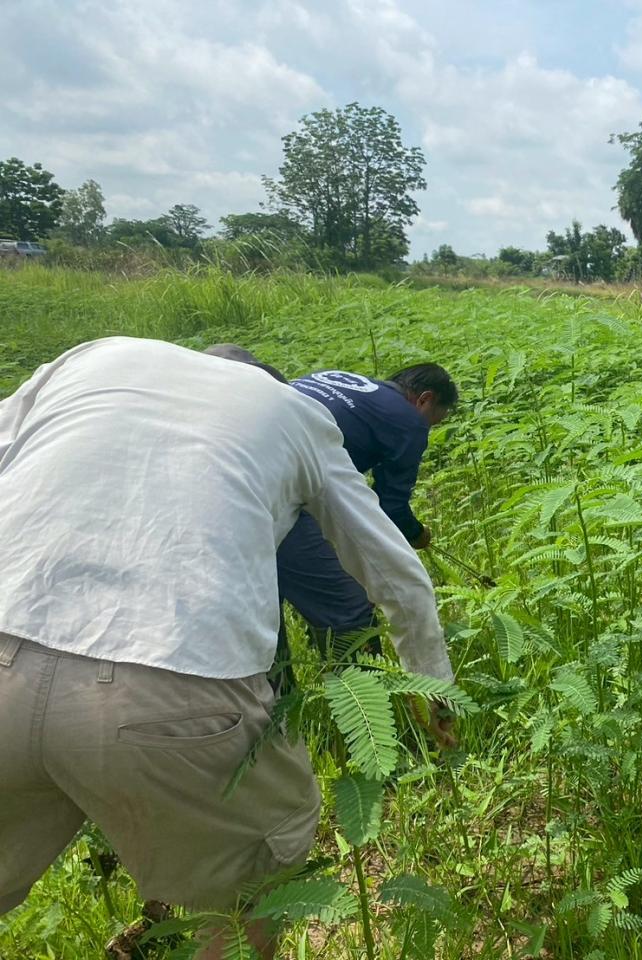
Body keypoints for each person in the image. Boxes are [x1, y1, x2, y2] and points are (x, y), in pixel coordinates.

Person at [0, 337, 456, 959]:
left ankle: (153, 923)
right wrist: (436, 690)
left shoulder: (92, 357)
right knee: (255, 890)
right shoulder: (293, 412)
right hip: (173, 680)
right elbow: (398, 576)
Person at [277, 363, 456, 650]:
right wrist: (417, 534)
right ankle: (359, 691)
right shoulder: (408, 419)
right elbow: (391, 509)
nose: (426, 430)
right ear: (425, 399)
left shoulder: (343, 382)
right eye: (433, 422)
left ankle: (278, 692)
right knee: (350, 612)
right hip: (280, 487)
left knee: (263, 609)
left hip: (239, 472)